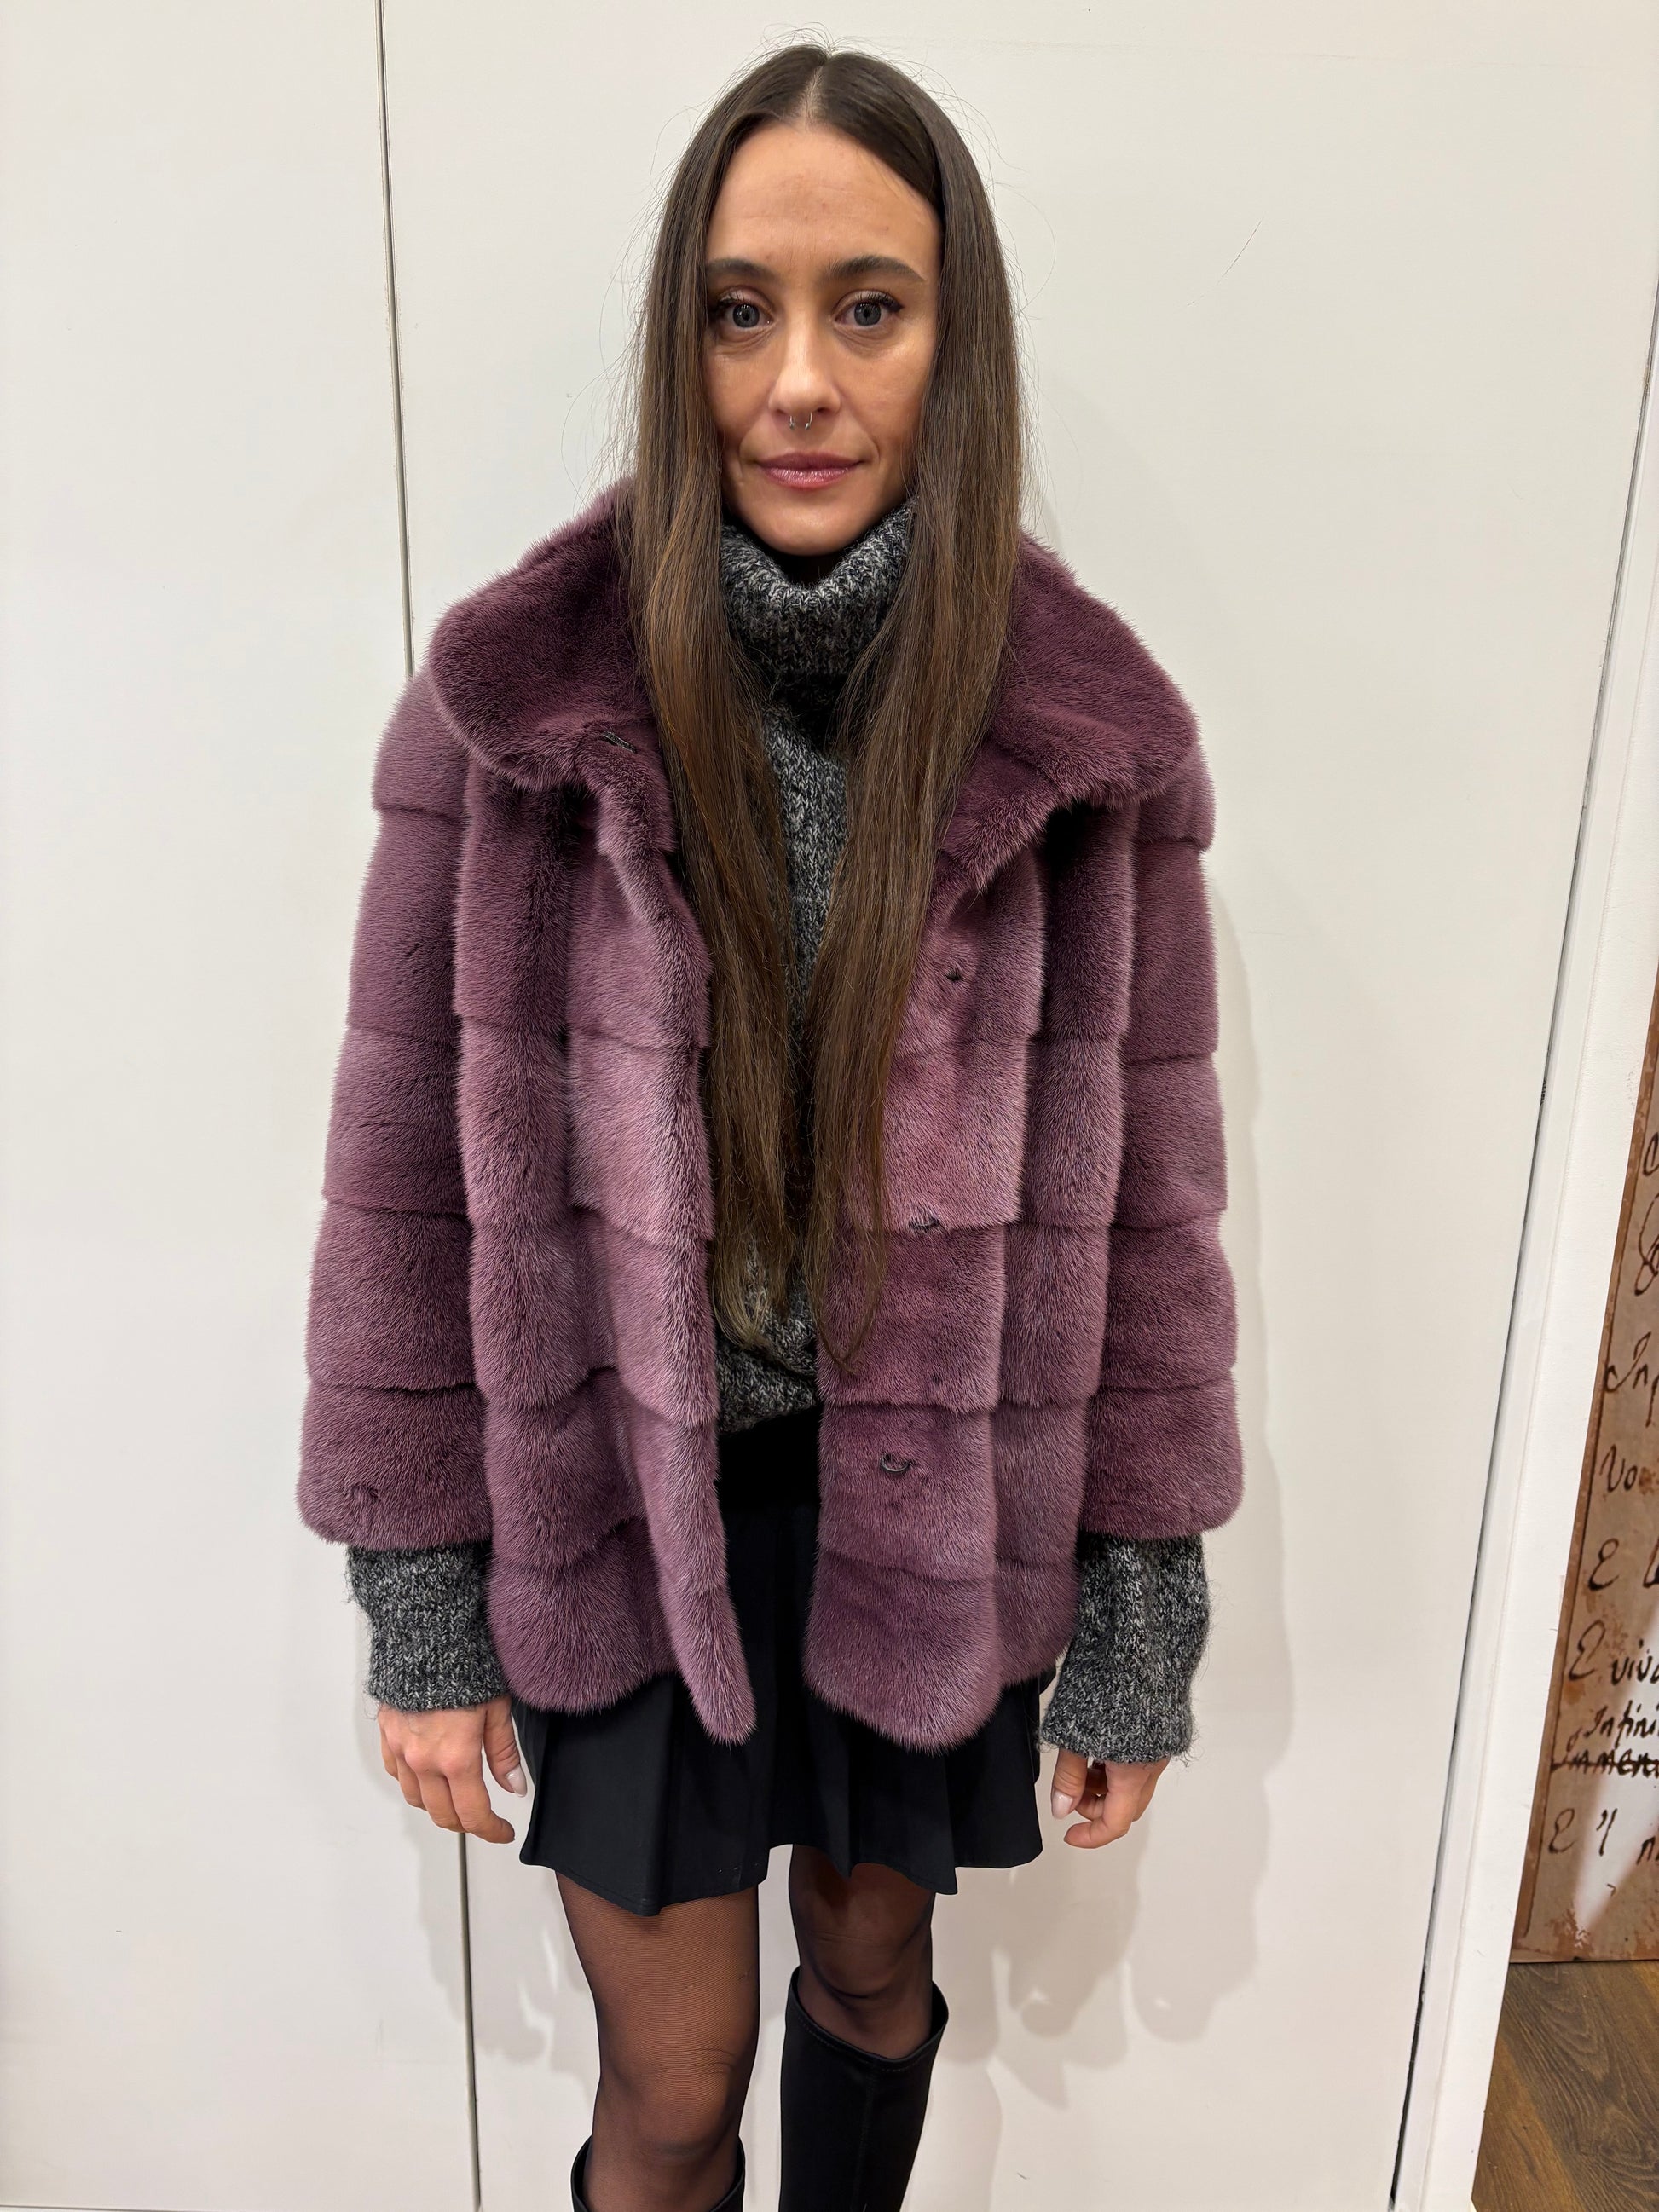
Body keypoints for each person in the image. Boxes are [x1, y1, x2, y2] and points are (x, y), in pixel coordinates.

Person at [297, 42, 1241, 2212]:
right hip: (620, 1512)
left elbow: (1155, 1218)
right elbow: (400, 1192)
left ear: (952, 342)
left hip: (936, 1503)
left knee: (877, 1976)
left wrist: (1141, 1605)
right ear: (681, 339)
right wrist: (418, 1600)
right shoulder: (511, 717)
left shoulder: (1086, 746)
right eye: (741, 311)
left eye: (867, 308)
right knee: (670, 2088)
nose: (799, 380)